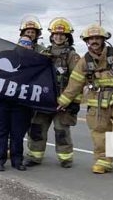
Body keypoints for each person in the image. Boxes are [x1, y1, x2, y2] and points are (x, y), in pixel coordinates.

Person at [57, 24, 113, 178]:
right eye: (91, 39)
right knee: (99, 133)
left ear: (103, 40)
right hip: (96, 101)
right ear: (87, 41)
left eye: (97, 38)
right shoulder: (84, 62)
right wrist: (63, 101)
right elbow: (74, 84)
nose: (94, 41)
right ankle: (103, 162)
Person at [0, 17, 43, 172]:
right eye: (23, 43)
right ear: (17, 43)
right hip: (1, 102)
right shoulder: (4, 54)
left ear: (32, 45)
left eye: (29, 43)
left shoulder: (36, 61)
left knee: (18, 133)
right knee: (0, 132)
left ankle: (17, 161)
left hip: (21, 104)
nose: (25, 46)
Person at [25, 18, 81, 168]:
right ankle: (34, 156)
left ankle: (66, 159)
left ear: (67, 37)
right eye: (56, 34)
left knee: (61, 130)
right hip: (44, 99)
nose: (59, 37)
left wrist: (73, 102)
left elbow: (78, 80)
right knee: (36, 127)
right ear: (51, 36)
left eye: (62, 35)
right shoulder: (44, 52)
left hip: (62, 101)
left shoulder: (72, 56)